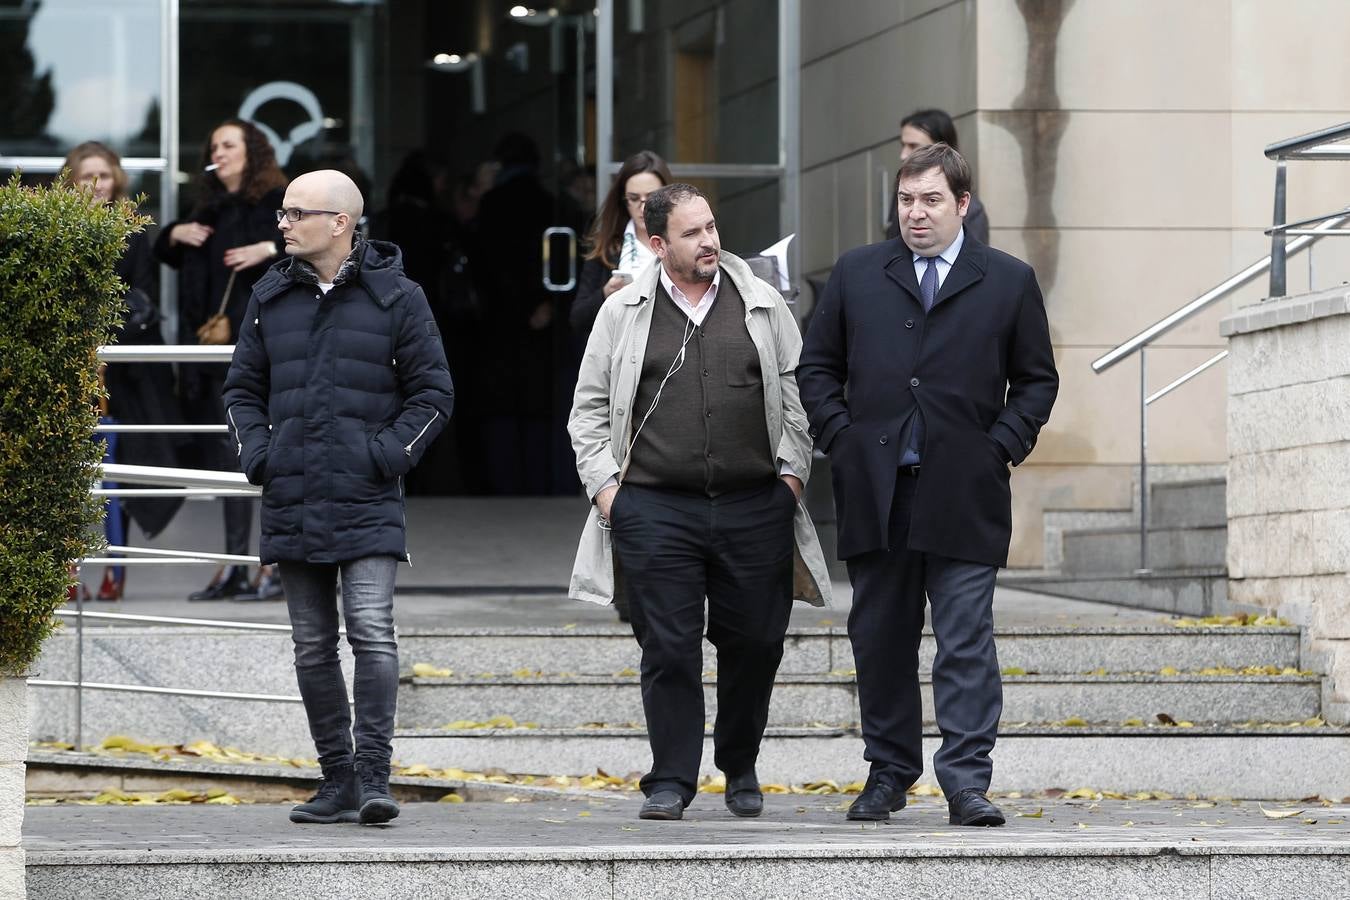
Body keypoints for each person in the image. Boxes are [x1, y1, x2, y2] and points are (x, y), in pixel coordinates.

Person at [798, 144, 1058, 827]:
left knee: (966, 637)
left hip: (964, 490)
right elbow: (816, 368)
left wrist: (998, 448)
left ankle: (967, 782)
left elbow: (1036, 381)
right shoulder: (857, 273)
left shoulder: (1006, 280)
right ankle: (888, 774)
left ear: (963, 205)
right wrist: (842, 438)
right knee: (880, 638)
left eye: (931, 201)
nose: (915, 213)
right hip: (877, 488)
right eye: (906, 201)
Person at [568, 183, 832, 821]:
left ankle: (739, 763)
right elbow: (589, 410)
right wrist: (610, 496)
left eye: (711, 226)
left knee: (757, 643)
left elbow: (799, 403)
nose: (710, 240)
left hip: (752, 504)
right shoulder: (623, 310)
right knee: (667, 646)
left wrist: (790, 483)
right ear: (657, 245)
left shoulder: (763, 303)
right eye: (692, 233)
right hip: (654, 508)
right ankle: (671, 778)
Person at [223, 170, 454, 826]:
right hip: (293, 492)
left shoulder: (398, 297)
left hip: (367, 494)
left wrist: (384, 456)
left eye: (297, 213)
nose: (284, 224)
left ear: (341, 223)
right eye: (283, 213)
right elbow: (241, 390)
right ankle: (338, 781)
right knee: (311, 645)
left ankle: (376, 778)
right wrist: (260, 454)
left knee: (373, 632)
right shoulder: (270, 296)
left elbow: (435, 395)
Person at [154, 118, 288, 601]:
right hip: (213, 352)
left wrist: (268, 248)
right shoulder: (207, 208)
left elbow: (322, 246)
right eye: (214, 145)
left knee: (268, 457)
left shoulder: (277, 203)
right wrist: (175, 233)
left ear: (252, 151)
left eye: (229, 144)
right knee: (231, 459)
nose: (220, 152)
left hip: (267, 348)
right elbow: (166, 254)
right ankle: (235, 566)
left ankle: (274, 568)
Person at [64, 141, 184, 601]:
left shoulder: (134, 230)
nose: (97, 185)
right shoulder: (57, 231)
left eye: (106, 176)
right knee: (66, 475)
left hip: (123, 371)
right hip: (71, 368)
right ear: (71, 180)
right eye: (87, 176)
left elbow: (142, 296)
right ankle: (67, 573)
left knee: (120, 474)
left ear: (117, 181)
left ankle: (116, 571)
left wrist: (108, 336)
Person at [568, 150, 672, 339]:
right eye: (634, 198)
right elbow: (578, 318)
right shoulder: (608, 248)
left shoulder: (682, 241)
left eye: (651, 197)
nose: (643, 207)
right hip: (620, 352)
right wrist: (606, 293)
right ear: (623, 201)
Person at [884, 109, 989, 245]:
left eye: (932, 200)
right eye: (906, 199)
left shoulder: (972, 210)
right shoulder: (899, 191)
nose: (903, 155)